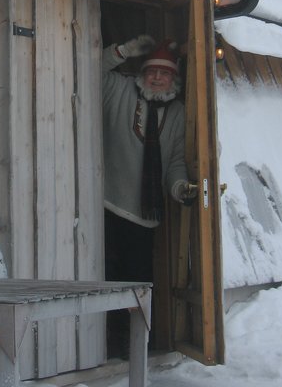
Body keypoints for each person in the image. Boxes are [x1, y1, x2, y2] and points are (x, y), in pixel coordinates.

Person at [102, 34, 197, 357]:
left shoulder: (179, 112)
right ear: (141, 74)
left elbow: (175, 163)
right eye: (152, 72)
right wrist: (125, 51)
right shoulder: (119, 90)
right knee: (105, 280)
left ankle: (134, 347)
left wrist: (179, 188)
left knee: (138, 284)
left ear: (174, 79)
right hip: (107, 205)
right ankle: (105, 343)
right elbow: (90, 71)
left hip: (146, 215)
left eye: (165, 73)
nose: (157, 78)